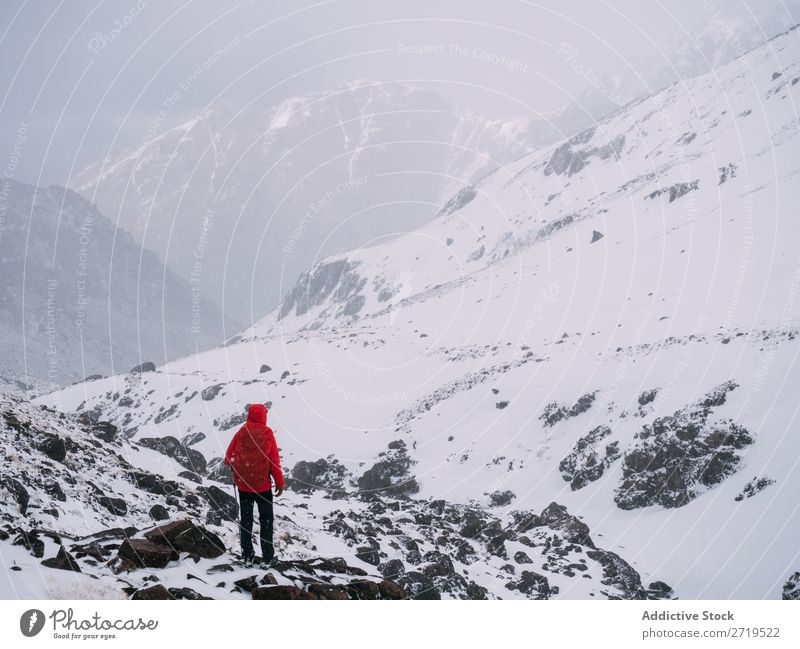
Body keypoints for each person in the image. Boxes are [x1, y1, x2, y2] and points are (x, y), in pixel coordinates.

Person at [223, 403, 285, 568]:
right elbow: (274, 461)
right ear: (263, 416)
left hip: (244, 486)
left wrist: (236, 467)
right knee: (266, 521)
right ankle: (267, 558)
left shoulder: (242, 432)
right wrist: (279, 482)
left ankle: (247, 555)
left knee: (246, 521)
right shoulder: (267, 433)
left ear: (249, 415)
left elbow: (228, 457)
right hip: (263, 487)